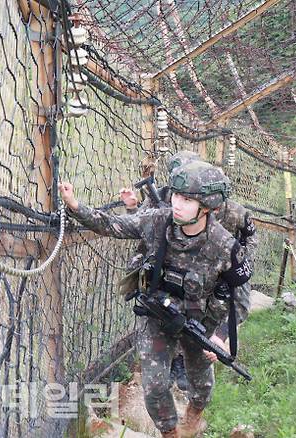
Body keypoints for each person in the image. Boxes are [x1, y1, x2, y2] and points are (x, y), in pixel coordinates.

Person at [59, 161, 253, 438]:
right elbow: (113, 225)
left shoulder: (225, 246)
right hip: (158, 315)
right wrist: (75, 205)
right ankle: (170, 433)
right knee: (155, 384)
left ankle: (194, 417)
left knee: (201, 385)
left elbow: (241, 298)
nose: (177, 203)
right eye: (176, 195)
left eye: (187, 200)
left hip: (200, 321)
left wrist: (221, 337)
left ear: (207, 207)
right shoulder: (158, 221)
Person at [121, 152, 257, 390]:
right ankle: (175, 360)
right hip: (180, 265)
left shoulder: (233, 211)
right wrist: (133, 208)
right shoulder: (165, 196)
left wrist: (239, 263)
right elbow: (142, 227)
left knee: (229, 302)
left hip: (219, 266)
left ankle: (205, 348)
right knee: (173, 308)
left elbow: (249, 238)